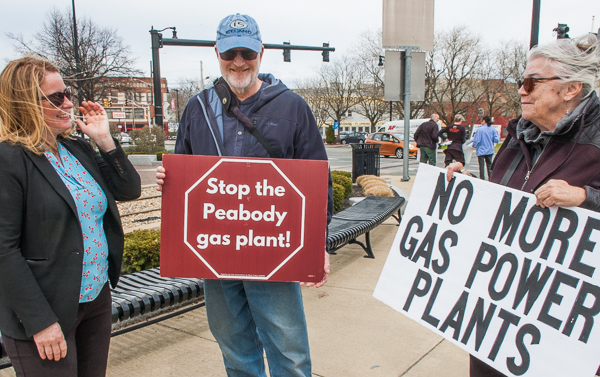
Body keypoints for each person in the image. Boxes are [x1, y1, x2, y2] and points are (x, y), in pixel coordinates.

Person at [155, 13, 333, 377]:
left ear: (261, 53)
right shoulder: (197, 108)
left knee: (288, 349)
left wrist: (318, 246)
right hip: (214, 251)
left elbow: (318, 180)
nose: (239, 61)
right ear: (217, 51)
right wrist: (167, 180)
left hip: (274, 250)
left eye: (247, 53)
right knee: (234, 345)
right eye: (231, 52)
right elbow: (185, 179)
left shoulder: (292, 107)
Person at [446, 34, 600, 377]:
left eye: (532, 82)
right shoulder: (520, 135)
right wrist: (469, 188)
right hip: (498, 316)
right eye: (521, 82)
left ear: (571, 89)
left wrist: (583, 197)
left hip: (561, 325)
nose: (521, 91)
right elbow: (508, 199)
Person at [0, 56, 141, 376]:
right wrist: (41, 323)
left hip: (94, 298)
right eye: (56, 97)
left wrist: (104, 139)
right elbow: (3, 251)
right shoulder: (8, 159)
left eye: (67, 93)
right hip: (45, 311)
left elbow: (129, 189)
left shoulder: (76, 148)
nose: (68, 103)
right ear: (25, 104)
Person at [472, 115, 500, 180]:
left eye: (482, 120)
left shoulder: (479, 130)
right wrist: (498, 134)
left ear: (484, 121)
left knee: (481, 166)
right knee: (489, 165)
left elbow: (476, 140)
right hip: (490, 150)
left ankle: (482, 178)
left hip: (481, 150)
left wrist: (474, 145)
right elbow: (496, 140)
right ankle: (491, 178)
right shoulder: (493, 129)